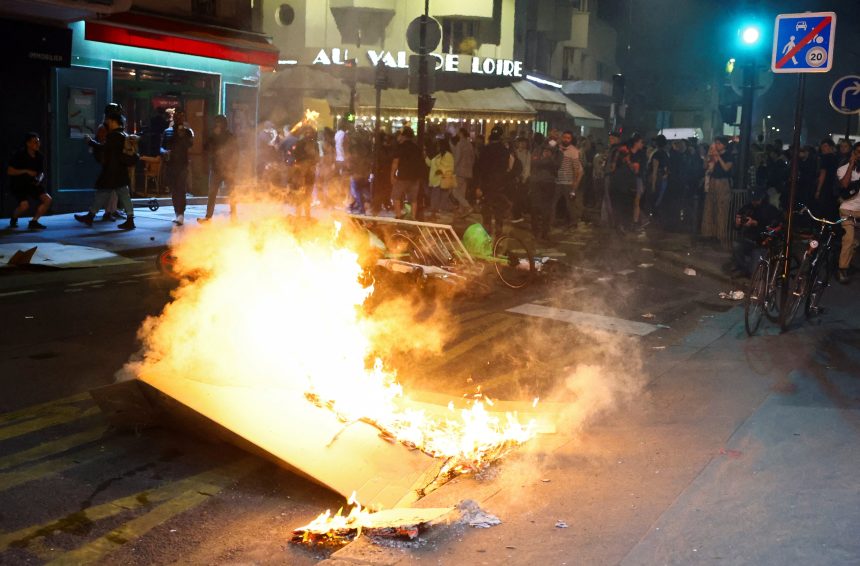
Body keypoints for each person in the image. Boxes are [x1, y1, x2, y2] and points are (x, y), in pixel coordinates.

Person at [74, 105, 137, 230]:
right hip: (120, 170)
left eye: (109, 120)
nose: (107, 122)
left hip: (112, 171)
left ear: (114, 121)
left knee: (103, 193)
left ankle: (91, 216)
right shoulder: (122, 134)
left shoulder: (114, 135)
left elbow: (104, 148)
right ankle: (128, 219)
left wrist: (90, 142)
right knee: (120, 194)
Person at [731, 188, 783, 277]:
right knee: (736, 245)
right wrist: (737, 223)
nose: (754, 202)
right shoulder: (747, 208)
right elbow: (736, 226)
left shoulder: (770, 209)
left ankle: (750, 268)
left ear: (762, 198)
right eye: (753, 200)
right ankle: (743, 268)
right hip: (749, 240)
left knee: (753, 273)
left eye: (757, 200)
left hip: (762, 243)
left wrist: (755, 223)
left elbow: (772, 228)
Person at [475, 126, 514, 237]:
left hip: (486, 185)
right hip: (500, 185)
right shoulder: (505, 151)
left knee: (486, 210)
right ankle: (498, 232)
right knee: (498, 211)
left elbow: (479, 168)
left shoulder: (485, 149)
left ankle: (486, 232)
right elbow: (509, 168)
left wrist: (478, 186)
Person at [7, 132, 51, 229]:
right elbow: (10, 171)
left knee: (47, 199)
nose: (38, 144)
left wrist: (39, 178)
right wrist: (26, 171)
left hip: (33, 183)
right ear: (28, 143)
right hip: (19, 184)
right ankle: (14, 218)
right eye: (35, 142)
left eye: (38, 142)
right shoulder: (19, 155)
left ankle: (34, 221)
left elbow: (41, 172)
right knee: (24, 206)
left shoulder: (40, 156)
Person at [198, 115, 236, 223]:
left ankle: (234, 216)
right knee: (212, 193)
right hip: (216, 169)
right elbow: (205, 147)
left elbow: (235, 151)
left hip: (227, 169)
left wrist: (233, 167)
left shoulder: (230, 136)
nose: (218, 125)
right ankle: (208, 217)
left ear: (224, 124)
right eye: (217, 123)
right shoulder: (213, 136)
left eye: (220, 123)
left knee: (232, 193)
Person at [161, 110, 195, 225]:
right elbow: (161, 147)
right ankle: (177, 213)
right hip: (171, 165)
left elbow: (190, 144)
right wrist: (164, 152)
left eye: (181, 117)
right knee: (174, 190)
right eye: (176, 117)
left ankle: (181, 214)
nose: (178, 119)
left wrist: (183, 135)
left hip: (182, 165)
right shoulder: (167, 131)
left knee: (181, 189)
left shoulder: (187, 132)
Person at [701, 136, 733, 244]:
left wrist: (718, 156)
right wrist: (708, 156)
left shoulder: (729, 155)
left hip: (723, 182)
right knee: (710, 208)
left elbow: (726, 168)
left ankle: (720, 235)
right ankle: (709, 234)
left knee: (721, 209)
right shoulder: (712, 154)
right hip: (712, 182)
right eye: (716, 143)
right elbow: (705, 166)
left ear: (724, 145)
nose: (716, 145)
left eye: (719, 143)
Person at [835, 141, 860, 284]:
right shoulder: (843, 168)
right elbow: (844, 184)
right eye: (857, 152)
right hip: (847, 209)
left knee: (855, 242)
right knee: (849, 239)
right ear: (853, 153)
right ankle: (842, 269)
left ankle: (847, 263)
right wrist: (851, 165)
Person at [530, 133, 560, 241]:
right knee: (535, 207)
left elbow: (557, 165)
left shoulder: (557, 151)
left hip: (549, 183)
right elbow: (534, 162)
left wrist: (548, 159)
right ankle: (535, 230)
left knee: (546, 208)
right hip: (536, 182)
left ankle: (544, 231)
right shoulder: (537, 150)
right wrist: (545, 160)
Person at [389, 127, 424, 219]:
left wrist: (392, 176)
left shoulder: (401, 147)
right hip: (415, 177)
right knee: (413, 199)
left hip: (402, 177)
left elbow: (395, 163)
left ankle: (399, 216)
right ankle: (412, 218)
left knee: (396, 196)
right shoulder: (416, 148)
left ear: (403, 136)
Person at [555, 130, 584, 230]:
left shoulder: (574, 151)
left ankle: (573, 222)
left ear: (571, 140)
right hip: (557, 180)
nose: (566, 139)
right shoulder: (557, 147)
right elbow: (548, 145)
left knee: (570, 204)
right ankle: (551, 220)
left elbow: (576, 168)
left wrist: (574, 183)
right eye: (564, 137)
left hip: (568, 182)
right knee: (553, 202)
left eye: (568, 138)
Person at [425, 138, 454, 220]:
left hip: (441, 179)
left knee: (437, 197)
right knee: (436, 197)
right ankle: (435, 212)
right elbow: (431, 164)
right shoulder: (439, 155)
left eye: (438, 145)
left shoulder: (447, 155)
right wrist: (426, 158)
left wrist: (441, 170)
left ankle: (436, 212)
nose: (437, 147)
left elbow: (449, 166)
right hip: (436, 179)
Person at [451, 127, 475, 216]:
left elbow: (457, 158)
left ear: (461, 133)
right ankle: (462, 210)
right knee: (462, 192)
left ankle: (468, 206)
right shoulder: (470, 144)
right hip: (468, 172)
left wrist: (453, 168)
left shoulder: (460, 144)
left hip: (460, 171)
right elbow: (473, 158)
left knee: (455, 192)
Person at [814, 138, 839, 220]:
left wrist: (818, 190)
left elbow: (823, 174)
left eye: (825, 146)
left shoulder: (825, 157)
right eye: (822, 146)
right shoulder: (836, 157)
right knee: (830, 209)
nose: (823, 148)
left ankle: (820, 228)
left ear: (831, 147)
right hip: (833, 187)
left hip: (825, 186)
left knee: (821, 208)